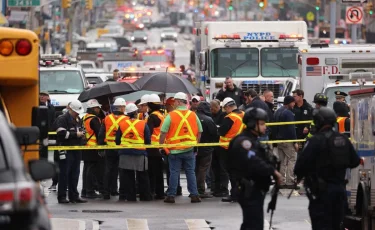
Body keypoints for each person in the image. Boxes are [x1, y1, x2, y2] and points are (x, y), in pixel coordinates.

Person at [294, 107, 360, 230]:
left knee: (321, 225)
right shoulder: (343, 139)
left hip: (320, 194)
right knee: (336, 225)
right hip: (339, 192)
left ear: (318, 122)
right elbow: (355, 161)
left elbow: (299, 167)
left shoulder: (315, 141)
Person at [227, 107, 282, 230]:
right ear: (252, 124)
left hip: (256, 189)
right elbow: (254, 162)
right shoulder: (243, 142)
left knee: (252, 224)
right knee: (254, 225)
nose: (265, 127)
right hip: (249, 189)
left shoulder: (253, 141)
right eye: (261, 124)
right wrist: (273, 172)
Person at [160, 92, 203, 203]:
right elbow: (200, 131)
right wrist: (196, 144)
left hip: (174, 150)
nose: (173, 103)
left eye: (175, 101)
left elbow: (163, 132)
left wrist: (161, 145)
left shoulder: (171, 115)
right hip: (189, 149)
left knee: (174, 172)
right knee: (190, 172)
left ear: (179, 101)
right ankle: (194, 195)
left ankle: (171, 196)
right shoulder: (193, 114)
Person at [116, 103, 153, 201]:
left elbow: (117, 140)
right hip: (140, 153)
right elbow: (148, 140)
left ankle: (130, 197)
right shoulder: (143, 123)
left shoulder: (122, 124)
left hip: (125, 153)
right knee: (143, 176)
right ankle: (145, 197)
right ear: (136, 113)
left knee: (128, 176)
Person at [55, 100, 87, 204]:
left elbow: (82, 130)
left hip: (76, 149)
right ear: (70, 110)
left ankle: (74, 196)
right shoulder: (62, 119)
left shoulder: (78, 119)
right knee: (64, 173)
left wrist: (82, 134)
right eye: (76, 112)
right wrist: (75, 135)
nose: (77, 113)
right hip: (65, 149)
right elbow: (61, 134)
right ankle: (62, 196)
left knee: (75, 173)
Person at [98, 98, 128, 200]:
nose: (124, 109)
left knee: (108, 170)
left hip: (109, 147)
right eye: (124, 107)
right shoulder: (126, 119)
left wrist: (100, 147)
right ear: (121, 107)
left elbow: (101, 134)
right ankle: (115, 190)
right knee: (120, 170)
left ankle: (106, 192)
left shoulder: (107, 118)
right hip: (120, 147)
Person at [218, 97, 245, 202]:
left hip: (228, 148)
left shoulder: (230, 118)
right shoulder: (243, 114)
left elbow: (221, 132)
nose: (224, 111)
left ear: (228, 107)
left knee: (232, 173)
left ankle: (235, 195)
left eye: (225, 108)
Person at [273, 96, 298, 189]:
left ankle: (281, 181)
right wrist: (295, 142)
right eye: (293, 102)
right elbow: (291, 128)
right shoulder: (288, 113)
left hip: (279, 140)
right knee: (292, 158)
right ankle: (290, 181)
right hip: (288, 140)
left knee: (282, 161)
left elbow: (274, 127)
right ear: (289, 103)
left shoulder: (277, 112)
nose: (294, 104)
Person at [81, 99, 103, 199]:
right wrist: (101, 146)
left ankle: (85, 190)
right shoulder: (94, 119)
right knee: (91, 170)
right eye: (98, 108)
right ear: (94, 108)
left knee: (86, 169)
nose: (99, 110)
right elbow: (99, 133)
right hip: (92, 147)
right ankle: (90, 191)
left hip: (86, 146)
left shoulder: (85, 117)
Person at [195, 101, 218, 198]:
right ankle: (200, 190)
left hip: (194, 148)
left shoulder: (192, 117)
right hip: (206, 149)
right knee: (203, 169)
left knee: (195, 169)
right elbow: (214, 134)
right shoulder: (209, 119)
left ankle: (194, 189)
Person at [146, 94, 165, 200]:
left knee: (152, 172)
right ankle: (160, 192)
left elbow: (149, 131)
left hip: (152, 147)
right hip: (159, 146)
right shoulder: (160, 115)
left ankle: (152, 191)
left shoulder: (152, 116)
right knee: (158, 172)